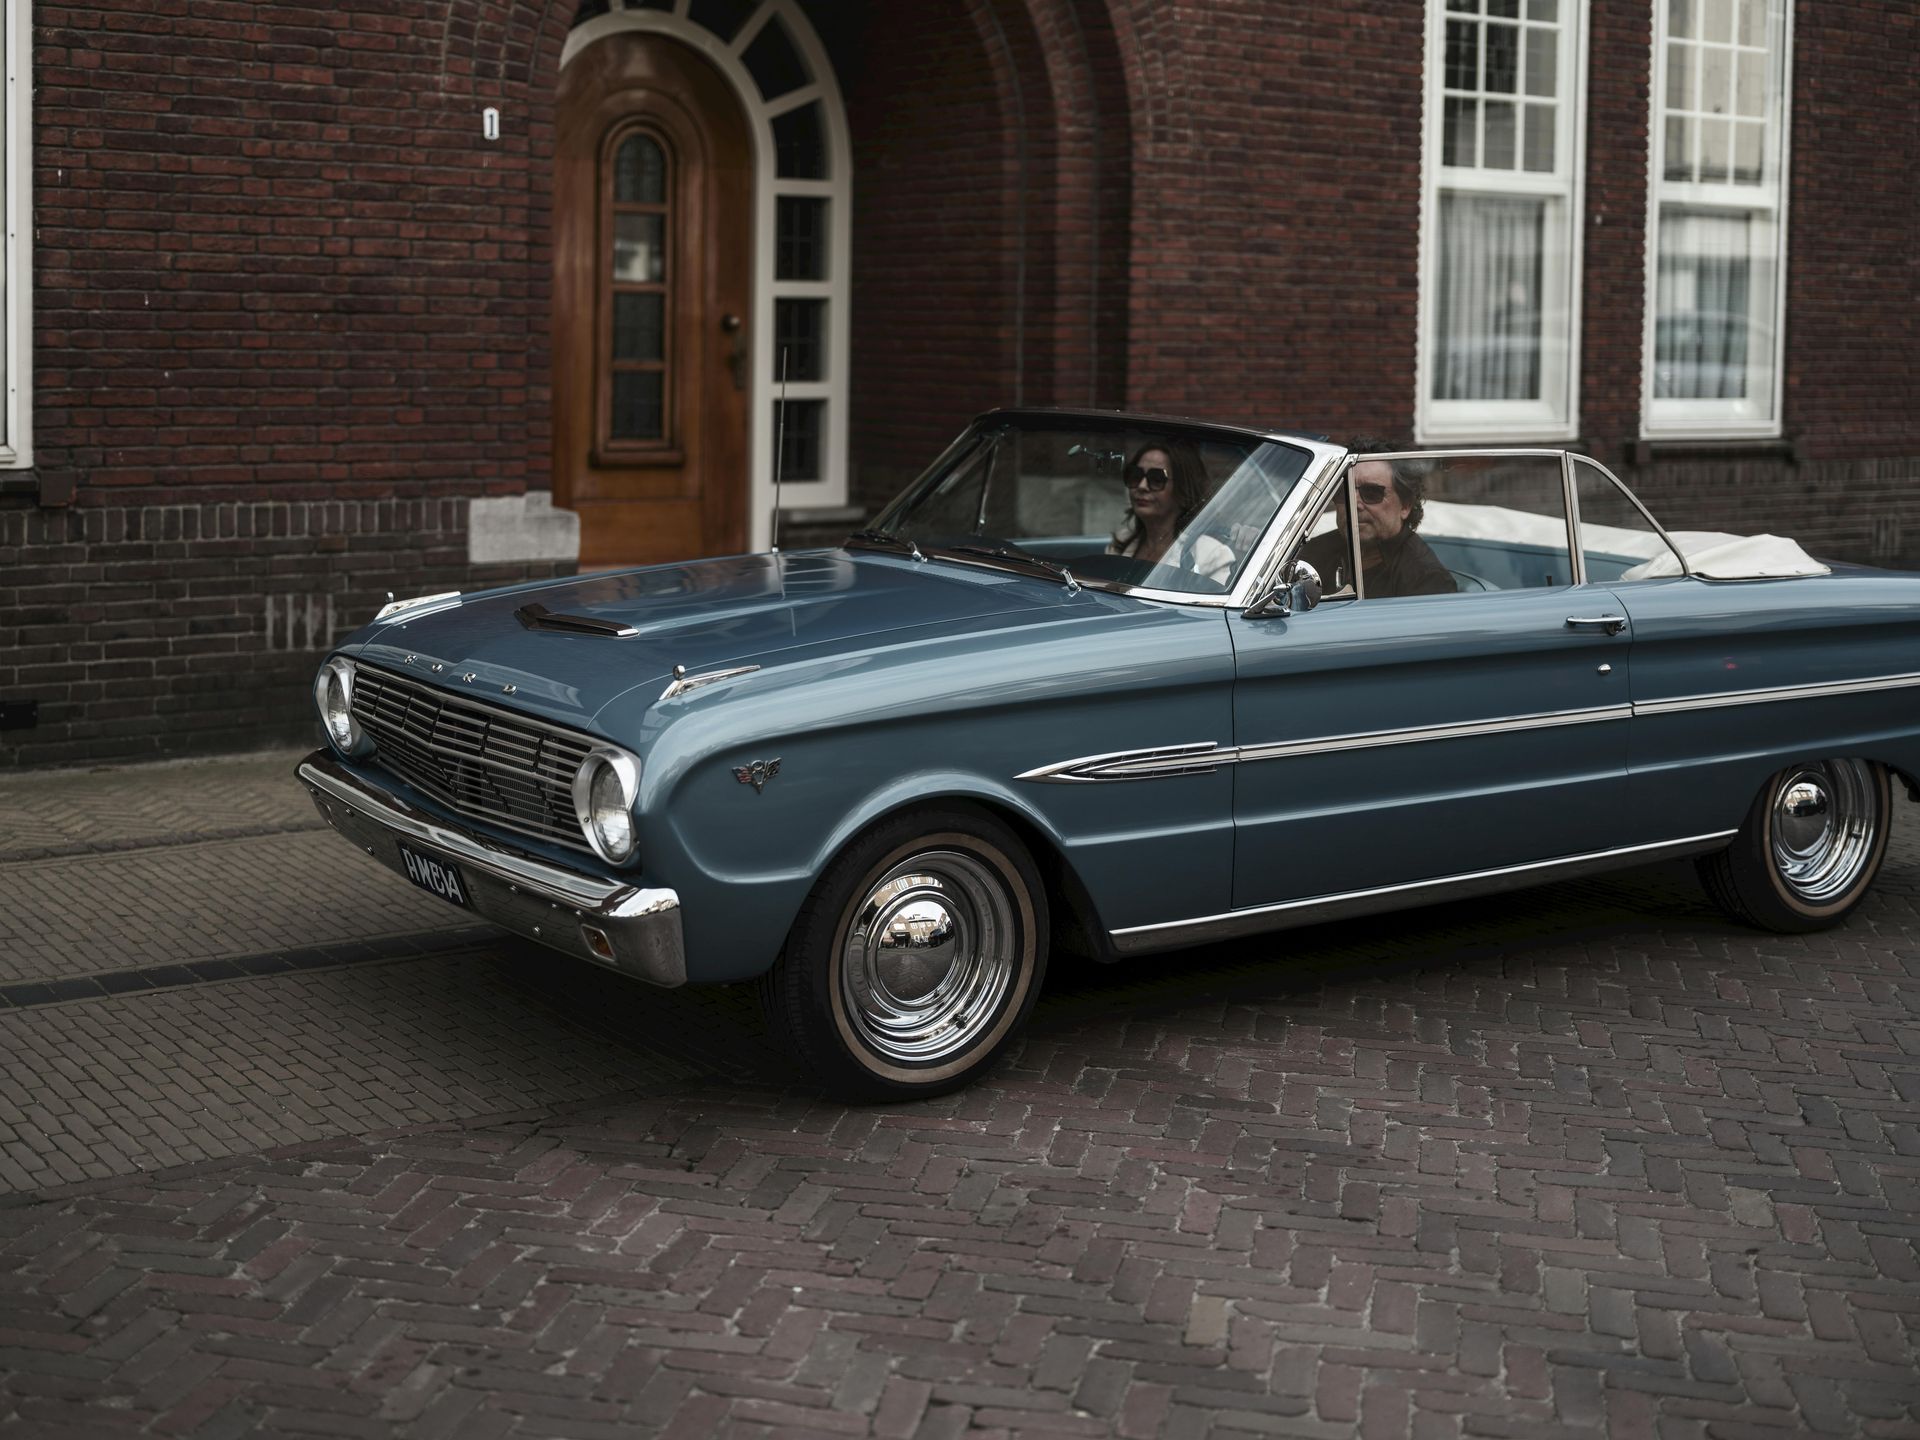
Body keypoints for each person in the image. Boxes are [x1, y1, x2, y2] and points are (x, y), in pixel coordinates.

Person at [1300, 440, 1454, 599]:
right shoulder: (1312, 553)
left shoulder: (1426, 579)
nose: (1354, 503)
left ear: (1405, 506)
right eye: (1343, 491)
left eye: (1372, 493)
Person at [1107, 439, 1234, 585]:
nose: (1142, 486)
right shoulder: (1120, 544)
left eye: (1156, 479)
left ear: (1183, 486)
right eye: (1136, 475)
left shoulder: (1211, 555)